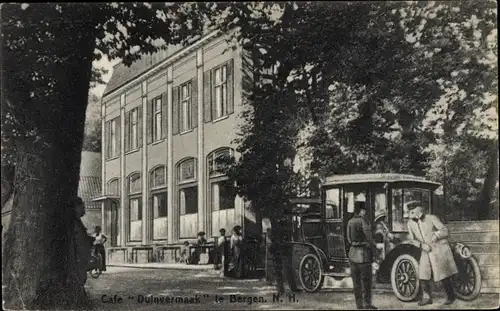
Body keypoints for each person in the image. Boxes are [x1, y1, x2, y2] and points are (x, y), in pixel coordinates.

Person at [406, 201, 458, 306]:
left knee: (443, 273)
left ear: (420, 209)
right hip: (425, 250)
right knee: (423, 273)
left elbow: (444, 230)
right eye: (410, 210)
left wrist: (436, 236)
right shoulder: (410, 223)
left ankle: (451, 295)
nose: (411, 212)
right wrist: (421, 245)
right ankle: (427, 298)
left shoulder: (432, 218)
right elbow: (412, 239)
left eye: (414, 209)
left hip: (438, 248)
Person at [346, 202, 377, 310]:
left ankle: (359, 305)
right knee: (366, 282)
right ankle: (367, 304)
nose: (365, 212)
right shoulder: (363, 221)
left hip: (352, 255)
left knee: (356, 283)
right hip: (363, 256)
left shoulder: (350, 222)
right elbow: (369, 237)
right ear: (361, 211)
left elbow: (349, 239)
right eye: (364, 210)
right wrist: (373, 246)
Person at [270, 217, 301, 296]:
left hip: (280, 249)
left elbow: (272, 239)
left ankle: (281, 289)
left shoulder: (276, 227)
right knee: (285, 269)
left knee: (281, 270)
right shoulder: (285, 228)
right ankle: (286, 288)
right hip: (280, 249)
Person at [73, 197, 93, 286]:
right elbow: (78, 240)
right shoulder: (75, 223)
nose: (84, 210)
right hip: (79, 259)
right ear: (76, 207)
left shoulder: (77, 221)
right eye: (83, 207)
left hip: (81, 258)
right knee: (80, 279)